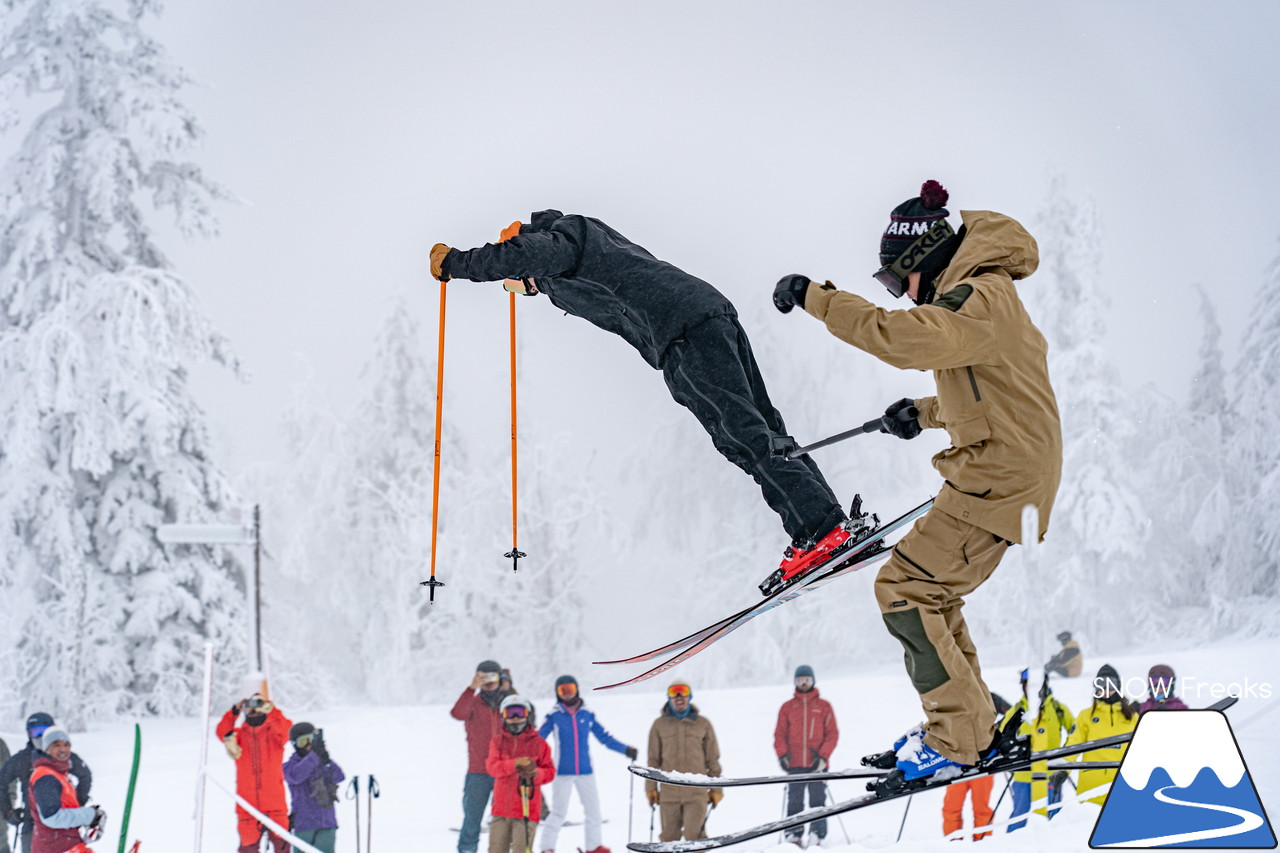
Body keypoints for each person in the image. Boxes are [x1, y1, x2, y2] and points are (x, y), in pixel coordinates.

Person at [774, 180, 1062, 783]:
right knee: (927, 591)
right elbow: (993, 391)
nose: (896, 295)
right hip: (1002, 471)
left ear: (921, 263)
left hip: (997, 478)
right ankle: (969, 728)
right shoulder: (983, 299)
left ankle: (957, 737)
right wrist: (921, 412)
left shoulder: (978, 297)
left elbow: (902, 337)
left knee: (904, 589)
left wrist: (817, 298)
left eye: (891, 282)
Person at [431, 212, 851, 581]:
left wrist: (456, 263)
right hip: (708, 314)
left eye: (516, 288)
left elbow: (524, 256)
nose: (525, 293)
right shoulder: (587, 239)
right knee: (763, 427)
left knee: (741, 435)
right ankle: (832, 523)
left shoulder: (561, 240)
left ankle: (820, 532)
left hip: (679, 331)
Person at [536, 675, 637, 853]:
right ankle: (547, 848)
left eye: (570, 689)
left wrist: (625, 749)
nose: (567, 694)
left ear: (577, 690)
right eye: (563, 691)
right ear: (557, 693)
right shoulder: (554, 715)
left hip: (585, 771)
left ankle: (594, 846)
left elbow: (605, 738)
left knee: (593, 810)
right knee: (559, 812)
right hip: (563, 772)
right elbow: (538, 740)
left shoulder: (587, 714)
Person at [215, 687, 293, 853]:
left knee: (283, 848)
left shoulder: (275, 735)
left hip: (275, 807)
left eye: (258, 708)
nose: (254, 713)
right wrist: (234, 711)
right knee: (247, 849)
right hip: (247, 808)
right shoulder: (239, 737)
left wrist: (272, 711)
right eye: (250, 709)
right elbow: (221, 732)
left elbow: (287, 730)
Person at [644, 682, 723, 843]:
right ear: (669, 698)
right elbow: (653, 760)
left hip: (696, 793)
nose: (679, 697)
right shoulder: (658, 725)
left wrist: (717, 789)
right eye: (674, 693)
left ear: (690, 696)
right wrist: (650, 788)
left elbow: (712, 759)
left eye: (683, 692)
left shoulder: (703, 724)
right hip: (668, 794)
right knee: (668, 839)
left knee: (695, 839)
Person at [1, 714, 91, 853]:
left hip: (63, 826)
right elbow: (2, 783)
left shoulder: (63, 755)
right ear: (28, 734)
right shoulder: (22, 759)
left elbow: (85, 775)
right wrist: (9, 812)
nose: (40, 736)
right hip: (31, 824)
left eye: (46, 731)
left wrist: (77, 803)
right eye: (36, 732)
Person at [452, 660, 515, 853]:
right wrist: (471, 689)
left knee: (505, 821)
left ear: (500, 678)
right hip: (478, 773)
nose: (488, 683)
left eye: (492, 678)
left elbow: (525, 726)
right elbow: (457, 713)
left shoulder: (509, 703)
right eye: (483, 678)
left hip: (504, 773)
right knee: (472, 820)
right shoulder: (472, 703)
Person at [773, 665, 838, 848]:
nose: (803, 683)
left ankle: (817, 834)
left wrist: (823, 757)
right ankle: (793, 835)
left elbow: (832, 734)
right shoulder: (787, 707)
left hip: (817, 764)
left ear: (813, 681)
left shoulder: (824, 706)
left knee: (817, 800)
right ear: (795, 682)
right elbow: (779, 734)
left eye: (806, 680)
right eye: (799, 680)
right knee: (795, 801)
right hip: (794, 764)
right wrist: (782, 755)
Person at [1001, 672, 1074, 832]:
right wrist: (1012, 754)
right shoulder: (1017, 710)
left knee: (1052, 818)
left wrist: (1063, 758)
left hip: (1051, 774)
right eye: (1029, 684)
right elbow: (1002, 737)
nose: (1032, 688)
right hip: (1024, 775)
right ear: (1024, 686)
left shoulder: (1058, 709)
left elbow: (1076, 734)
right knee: (1021, 818)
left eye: (1036, 684)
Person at [486, 696, 555, 853]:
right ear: (504, 716)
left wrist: (535, 773)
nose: (515, 718)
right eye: (510, 713)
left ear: (527, 715)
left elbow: (550, 772)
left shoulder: (539, 743)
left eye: (519, 712)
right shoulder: (497, 742)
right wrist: (514, 764)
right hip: (501, 811)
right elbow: (492, 768)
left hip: (527, 810)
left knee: (521, 850)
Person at [942, 691, 1011, 841]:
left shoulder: (989, 697)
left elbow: (1010, 714)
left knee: (982, 809)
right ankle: (952, 846)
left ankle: (982, 845)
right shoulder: (951, 697)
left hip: (984, 764)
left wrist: (998, 735)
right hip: (957, 764)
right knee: (951, 808)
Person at [1066, 664, 1138, 805]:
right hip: (1090, 792)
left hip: (1122, 790)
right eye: (1101, 684)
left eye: (1110, 684)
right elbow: (1073, 745)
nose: (1105, 689)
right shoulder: (1085, 716)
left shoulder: (1132, 718)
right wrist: (1063, 769)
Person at [26, 726, 104, 853]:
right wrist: (89, 815)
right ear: (47, 749)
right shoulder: (45, 776)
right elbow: (52, 817)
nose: (63, 749)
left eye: (66, 744)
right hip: (55, 846)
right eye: (56, 745)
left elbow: (64, 807)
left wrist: (88, 814)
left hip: (65, 844)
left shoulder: (57, 773)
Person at [282, 723, 345, 853]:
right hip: (304, 825)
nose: (308, 745)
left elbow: (339, 777)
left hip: (326, 823)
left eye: (311, 740)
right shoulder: (289, 767)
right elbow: (297, 776)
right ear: (295, 744)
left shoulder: (321, 762)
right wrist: (315, 756)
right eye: (303, 741)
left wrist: (326, 760)